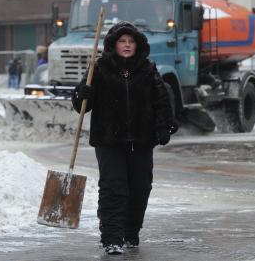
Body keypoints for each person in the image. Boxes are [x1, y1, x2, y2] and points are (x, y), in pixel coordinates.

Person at [72, 21, 178, 255]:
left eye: (131, 41)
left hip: (141, 139)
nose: (127, 45)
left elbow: (162, 100)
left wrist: (164, 126)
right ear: (114, 45)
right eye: (122, 41)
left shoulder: (147, 69)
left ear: (138, 45)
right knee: (114, 188)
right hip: (109, 140)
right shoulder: (99, 69)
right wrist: (83, 93)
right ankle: (111, 238)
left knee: (140, 188)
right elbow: (80, 105)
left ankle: (130, 234)